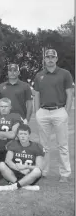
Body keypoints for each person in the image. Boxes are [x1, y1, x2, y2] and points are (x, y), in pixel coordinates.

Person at [33, 49, 73, 183]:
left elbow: (69, 94)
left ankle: (65, 174)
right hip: (43, 112)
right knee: (44, 145)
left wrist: (66, 111)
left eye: (52, 57)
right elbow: (37, 95)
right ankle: (43, 171)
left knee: (62, 144)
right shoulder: (39, 75)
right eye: (47, 57)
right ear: (44, 59)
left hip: (59, 110)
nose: (50, 59)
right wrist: (37, 111)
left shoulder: (65, 74)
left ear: (56, 59)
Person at [0, 124, 45, 191]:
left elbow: (39, 167)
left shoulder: (36, 147)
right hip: (15, 172)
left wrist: (26, 167)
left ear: (29, 135)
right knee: (1, 165)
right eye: (21, 134)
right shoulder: (13, 144)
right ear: (17, 135)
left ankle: (12, 187)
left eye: (25, 134)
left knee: (37, 171)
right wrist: (19, 169)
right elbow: (8, 161)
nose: (23, 136)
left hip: (28, 174)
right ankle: (21, 185)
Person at [0, 98, 22, 163]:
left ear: (10, 107)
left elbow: (12, 135)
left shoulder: (15, 116)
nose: (3, 108)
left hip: (9, 148)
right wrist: (5, 136)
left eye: (6, 106)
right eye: (2, 106)